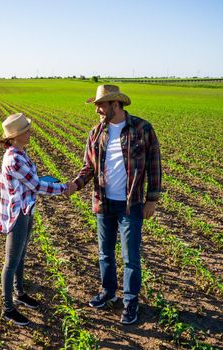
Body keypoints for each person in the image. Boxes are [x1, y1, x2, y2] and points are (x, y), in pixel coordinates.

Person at [65, 84, 162, 324]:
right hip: (104, 203)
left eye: (101, 104)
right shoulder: (96, 133)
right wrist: (75, 185)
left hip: (132, 204)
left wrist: (152, 199)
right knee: (105, 253)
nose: (97, 109)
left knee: (130, 257)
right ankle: (108, 293)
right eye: (97, 104)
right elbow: (88, 167)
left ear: (115, 104)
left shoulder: (142, 129)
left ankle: (130, 302)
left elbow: (154, 166)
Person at [0, 112, 76, 326]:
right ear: (14, 137)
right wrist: (64, 189)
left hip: (27, 209)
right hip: (18, 214)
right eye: (25, 131)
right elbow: (37, 185)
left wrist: (56, 185)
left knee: (21, 255)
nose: (29, 133)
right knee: (11, 261)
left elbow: (35, 182)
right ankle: (8, 307)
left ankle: (20, 293)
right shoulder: (14, 159)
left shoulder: (21, 153)